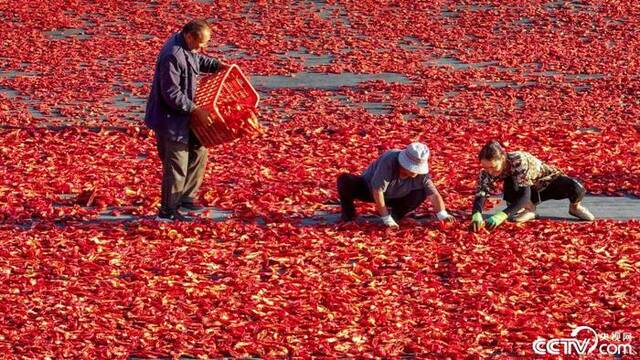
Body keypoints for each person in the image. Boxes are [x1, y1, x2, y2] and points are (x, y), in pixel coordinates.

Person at [144, 20, 228, 221]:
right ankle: (167, 212)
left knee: (200, 148)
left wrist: (216, 65)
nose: (202, 48)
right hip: (169, 119)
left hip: (183, 115)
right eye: (200, 43)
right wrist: (195, 109)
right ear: (190, 36)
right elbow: (171, 93)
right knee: (176, 164)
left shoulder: (186, 46)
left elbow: (195, 60)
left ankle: (186, 198)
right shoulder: (172, 55)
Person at [470, 140, 594, 232]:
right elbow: (481, 192)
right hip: (526, 189)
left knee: (577, 188)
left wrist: (501, 215)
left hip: (548, 183)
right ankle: (530, 210)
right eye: (486, 167)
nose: (490, 171)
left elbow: (524, 196)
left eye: (493, 167)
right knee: (511, 181)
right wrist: (476, 213)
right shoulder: (486, 172)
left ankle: (575, 207)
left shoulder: (518, 161)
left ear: (502, 158)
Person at [337, 142, 454, 228]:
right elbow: (377, 190)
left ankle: (396, 216)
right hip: (369, 190)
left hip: (398, 197)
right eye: (412, 168)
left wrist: (442, 214)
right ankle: (349, 215)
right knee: (345, 180)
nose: (415, 172)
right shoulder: (389, 161)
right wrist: (385, 217)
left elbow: (433, 194)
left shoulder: (421, 174)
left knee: (422, 191)